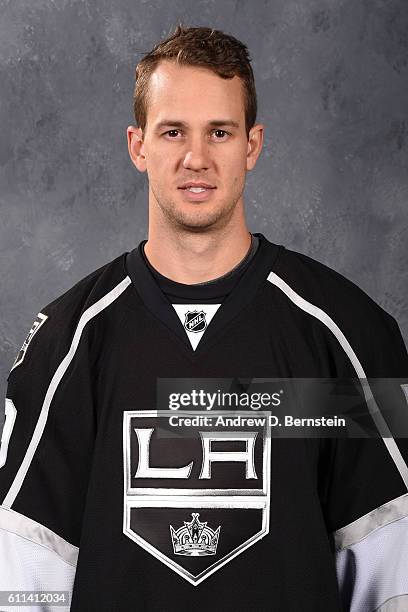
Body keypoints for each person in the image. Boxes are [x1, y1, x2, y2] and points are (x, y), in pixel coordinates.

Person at [1, 23, 407, 612]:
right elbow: (22, 578)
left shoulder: (348, 334)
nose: (197, 157)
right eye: (173, 132)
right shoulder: (67, 343)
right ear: (138, 146)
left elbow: (393, 572)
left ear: (253, 144)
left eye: (220, 131)